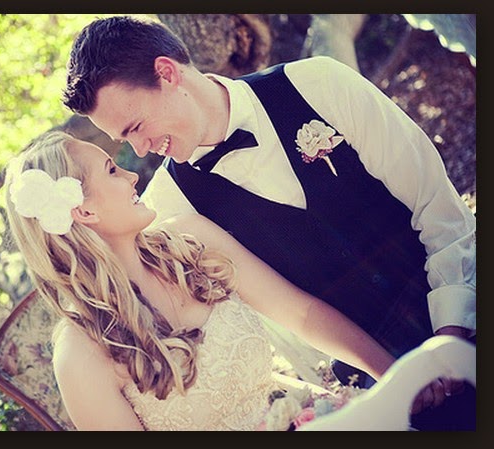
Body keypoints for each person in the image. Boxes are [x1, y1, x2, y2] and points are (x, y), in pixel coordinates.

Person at [62, 15, 476, 430]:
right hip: (380, 396)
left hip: (466, 307)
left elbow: (438, 210)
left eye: (136, 127)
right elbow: (288, 327)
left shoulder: (320, 85)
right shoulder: (168, 210)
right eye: (125, 140)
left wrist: (452, 332)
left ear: (167, 73)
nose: (140, 150)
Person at [3, 130, 403, 431]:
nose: (131, 176)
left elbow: (302, 313)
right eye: (111, 170)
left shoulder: (191, 240)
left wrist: (394, 376)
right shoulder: (80, 355)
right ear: (84, 212)